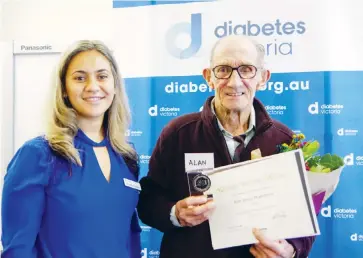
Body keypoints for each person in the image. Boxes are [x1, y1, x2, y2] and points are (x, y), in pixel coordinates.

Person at [137, 35, 316, 258]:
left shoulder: (284, 140)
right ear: (208, 77)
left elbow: (304, 217)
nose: (234, 82)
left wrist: (290, 250)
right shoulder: (178, 133)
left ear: (263, 77)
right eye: (223, 70)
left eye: (247, 69)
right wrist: (175, 213)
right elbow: (148, 200)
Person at [1, 40, 142, 258]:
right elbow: (17, 250)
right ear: (64, 89)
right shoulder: (38, 155)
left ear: (115, 86)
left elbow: (128, 240)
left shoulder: (126, 157)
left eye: (102, 76)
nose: (93, 86)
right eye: (79, 78)